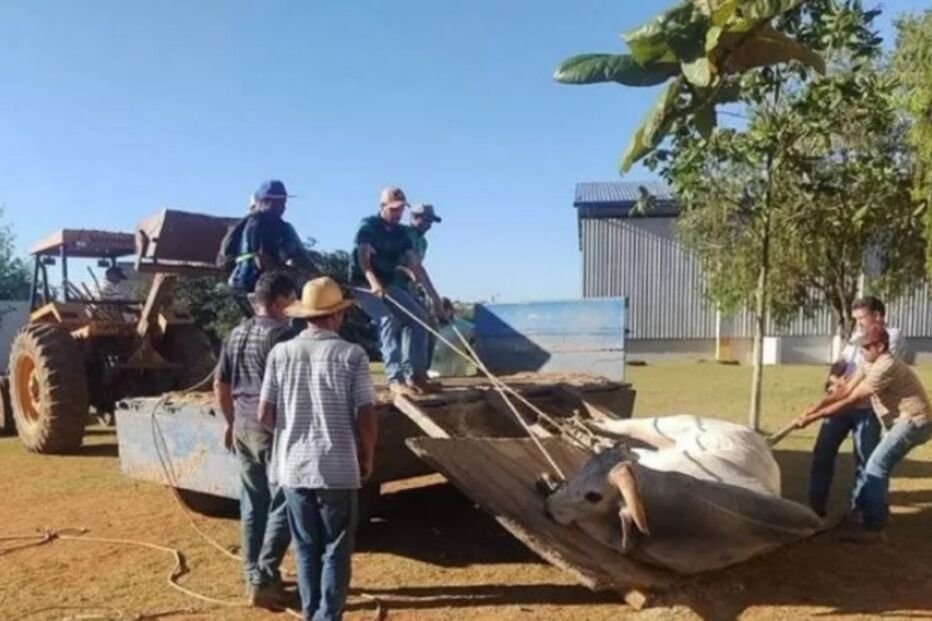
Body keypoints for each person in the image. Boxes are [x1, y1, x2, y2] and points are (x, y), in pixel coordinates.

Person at [259, 277, 378, 621]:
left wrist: (290, 434)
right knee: (336, 547)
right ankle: (327, 615)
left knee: (306, 547)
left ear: (306, 316)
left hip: (293, 468)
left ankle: (313, 613)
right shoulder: (352, 355)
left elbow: (264, 414)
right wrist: (367, 452)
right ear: (336, 315)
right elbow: (365, 412)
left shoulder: (281, 353)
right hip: (337, 467)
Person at [795, 324, 931, 542]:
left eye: (866, 347)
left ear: (880, 346)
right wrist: (814, 408)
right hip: (902, 422)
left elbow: (852, 400)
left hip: (914, 422)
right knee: (879, 466)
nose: (862, 351)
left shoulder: (885, 365)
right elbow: (845, 390)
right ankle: (878, 514)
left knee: (875, 466)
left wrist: (813, 418)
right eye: (861, 346)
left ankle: (874, 527)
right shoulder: (868, 362)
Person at [214, 271, 297, 607]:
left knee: (253, 504)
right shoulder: (282, 335)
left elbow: (220, 385)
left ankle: (253, 574)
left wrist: (229, 423)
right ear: (279, 302)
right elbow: (287, 389)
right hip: (271, 429)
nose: (295, 307)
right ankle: (263, 577)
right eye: (292, 300)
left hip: (243, 426)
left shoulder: (236, 333)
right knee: (287, 500)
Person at [806, 296, 904, 518]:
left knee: (865, 459)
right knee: (822, 452)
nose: (858, 323)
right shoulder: (856, 336)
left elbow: (875, 369)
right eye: (856, 318)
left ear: (877, 315)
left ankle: (859, 510)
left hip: (867, 408)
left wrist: (843, 390)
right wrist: (833, 378)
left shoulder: (892, 336)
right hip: (842, 404)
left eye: (862, 317)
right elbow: (842, 361)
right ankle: (815, 505)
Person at [351, 186, 450, 397]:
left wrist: (434, 298)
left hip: (389, 283)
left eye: (401, 209)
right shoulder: (368, 226)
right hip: (363, 283)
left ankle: (415, 376)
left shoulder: (402, 234)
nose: (398, 214)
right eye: (393, 209)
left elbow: (416, 265)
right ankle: (395, 378)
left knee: (420, 318)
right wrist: (373, 282)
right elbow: (363, 258)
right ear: (382, 206)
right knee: (387, 319)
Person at [229, 179, 317, 316]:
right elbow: (263, 261)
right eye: (278, 202)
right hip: (255, 285)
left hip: (239, 283)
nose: (283, 206)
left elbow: (298, 256)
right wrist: (300, 275)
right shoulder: (264, 225)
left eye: (283, 202)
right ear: (265, 201)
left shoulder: (253, 223)